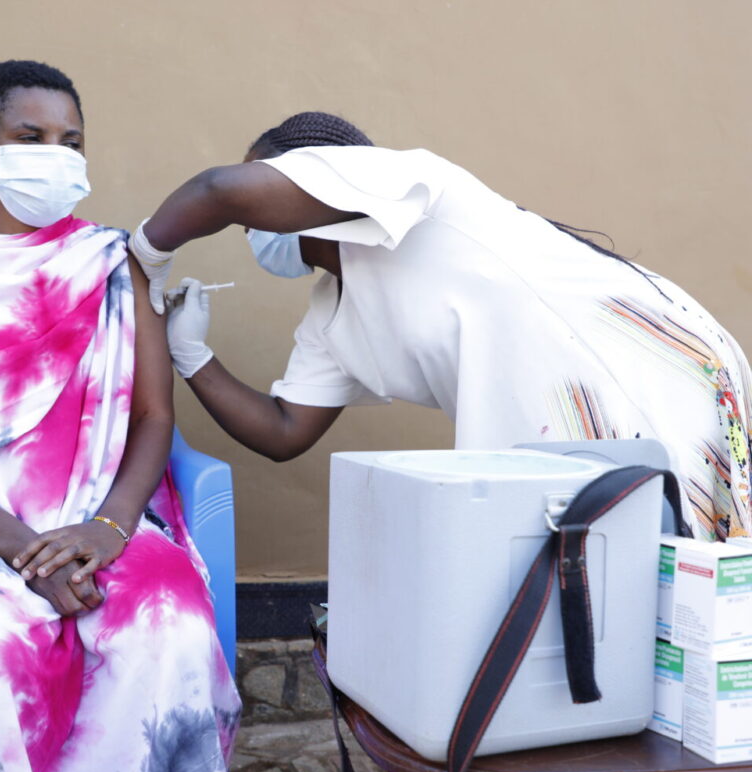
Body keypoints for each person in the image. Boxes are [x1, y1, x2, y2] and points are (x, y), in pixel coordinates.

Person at [130, 111, 752, 542]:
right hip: (558, 416)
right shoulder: (331, 312)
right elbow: (285, 430)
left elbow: (219, 189)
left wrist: (146, 254)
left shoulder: (405, 182)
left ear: (319, 174)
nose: (251, 221)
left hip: (634, 360)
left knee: (672, 565)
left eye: (265, 187)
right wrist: (193, 355)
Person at [0, 60, 240, 772]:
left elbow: (152, 416)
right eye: (31, 136)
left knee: (165, 629)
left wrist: (109, 528)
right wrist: (26, 553)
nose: (57, 154)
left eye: (71, 141)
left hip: (105, 521)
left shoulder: (115, 265)